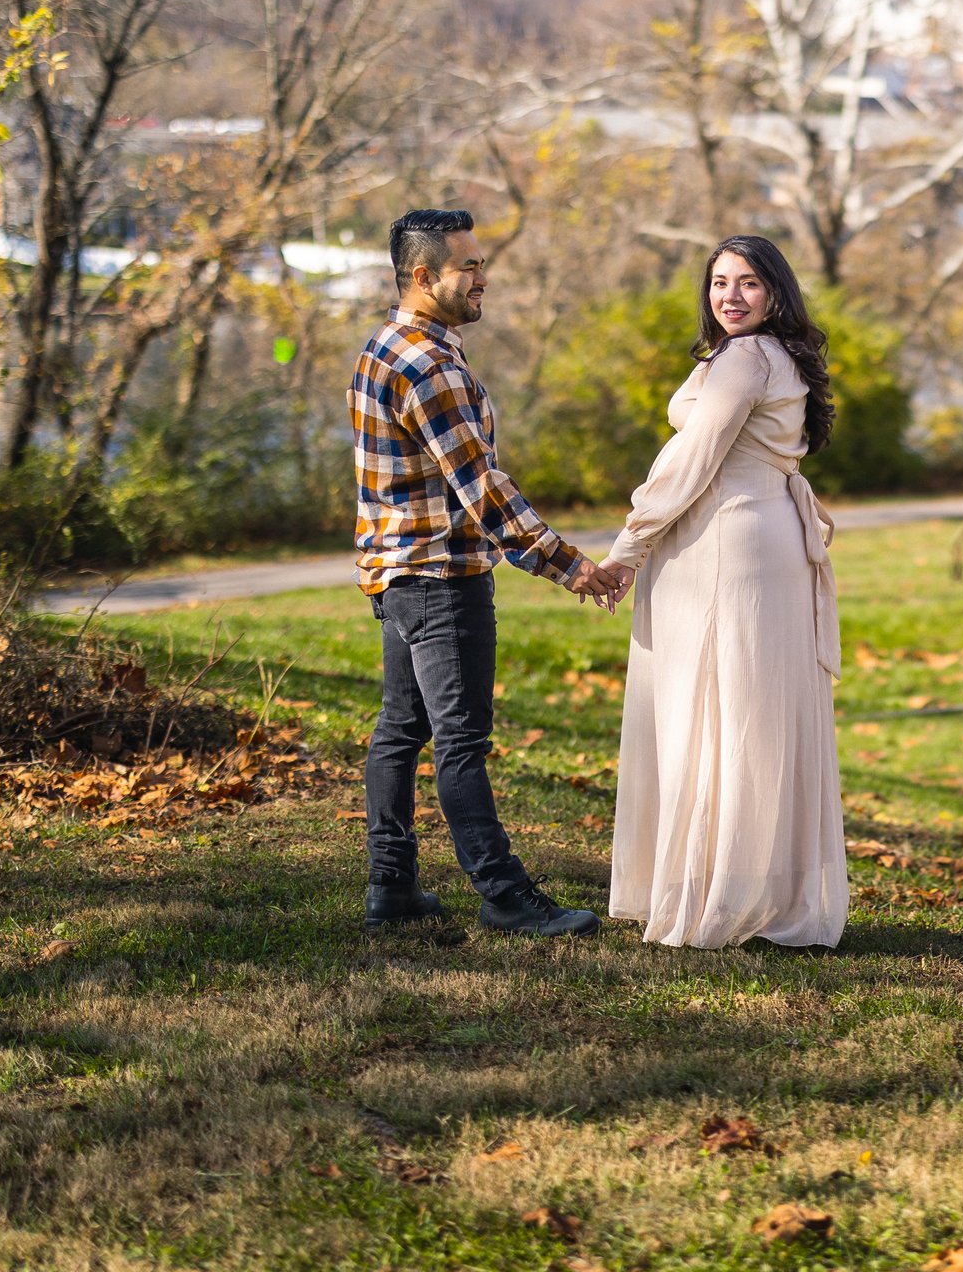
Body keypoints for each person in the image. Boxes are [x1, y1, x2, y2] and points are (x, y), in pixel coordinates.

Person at [347, 208, 623, 938]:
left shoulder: (387, 344)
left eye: (479, 264)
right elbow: (484, 489)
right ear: (422, 275)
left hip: (399, 576)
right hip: (439, 578)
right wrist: (572, 566)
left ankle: (392, 886)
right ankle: (503, 892)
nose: (482, 278)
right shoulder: (430, 365)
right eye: (467, 267)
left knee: (401, 729)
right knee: (459, 738)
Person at [600, 235, 848, 949]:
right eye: (718, 282)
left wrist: (626, 550)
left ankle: (719, 897)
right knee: (752, 714)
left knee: (716, 711)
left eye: (747, 282)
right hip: (759, 538)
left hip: (726, 545)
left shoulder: (745, 357)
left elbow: (693, 460)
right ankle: (758, 889)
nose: (730, 295)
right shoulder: (775, 356)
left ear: (776, 291)